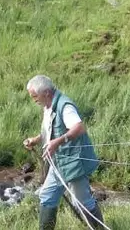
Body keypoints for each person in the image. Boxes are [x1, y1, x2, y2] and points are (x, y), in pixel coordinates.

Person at [23, 75, 104, 230]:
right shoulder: (48, 106)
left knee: (83, 202)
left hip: (74, 164)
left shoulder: (65, 106)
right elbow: (52, 130)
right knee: (47, 196)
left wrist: (58, 142)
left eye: (34, 96)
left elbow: (79, 128)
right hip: (59, 163)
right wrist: (35, 139)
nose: (33, 99)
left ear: (46, 92)